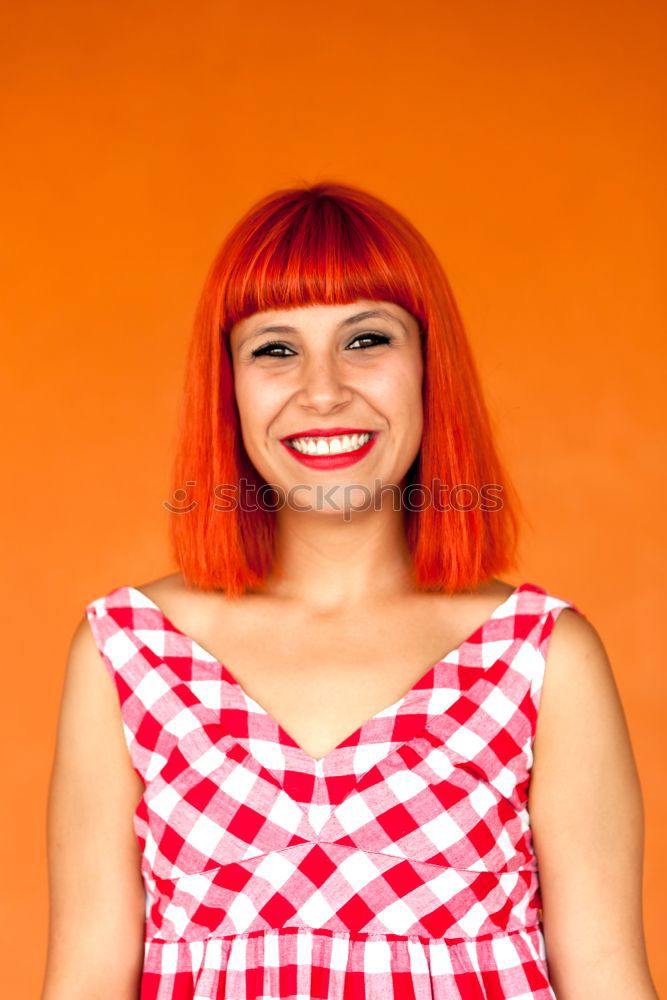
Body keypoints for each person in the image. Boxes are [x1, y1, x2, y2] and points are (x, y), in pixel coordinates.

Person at [42, 182, 658, 999]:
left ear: (429, 367)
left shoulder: (542, 658)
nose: (323, 390)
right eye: (274, 348)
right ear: (225, 386)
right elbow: (84, 978)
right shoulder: (129, 655)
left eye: (366, 338)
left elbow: (608, 978)